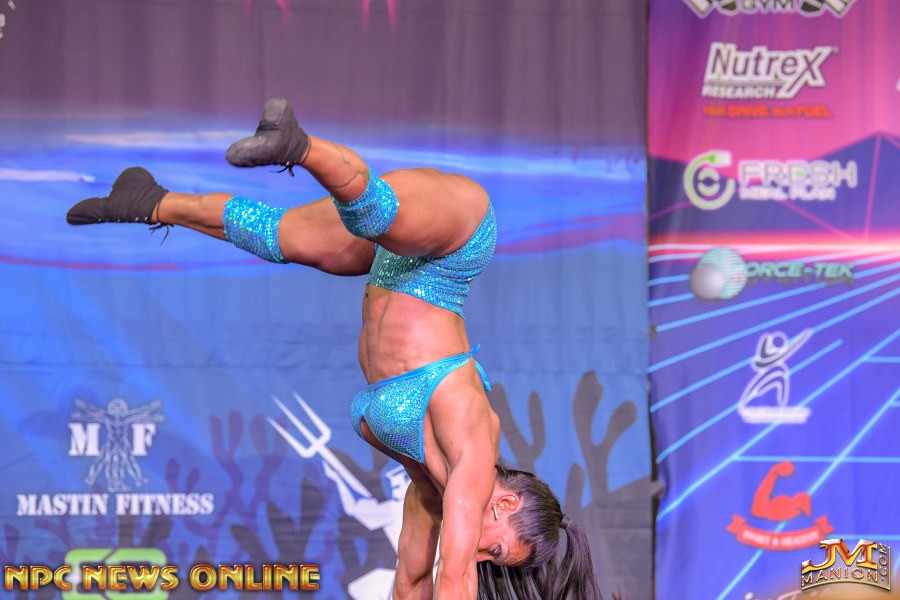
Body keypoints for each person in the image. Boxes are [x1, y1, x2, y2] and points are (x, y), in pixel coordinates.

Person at [66, 98, 601, 600]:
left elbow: (412, 580)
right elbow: (455, 576)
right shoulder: (475, 456)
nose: (481, 556)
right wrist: (461, 569)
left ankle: (149, 201)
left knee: (280, 237)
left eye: (492, 560)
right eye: (496, 550)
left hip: (398, 267)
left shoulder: (430, 488)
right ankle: (298, 145)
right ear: (506, 503)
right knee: (376, 215)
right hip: (456, 245)